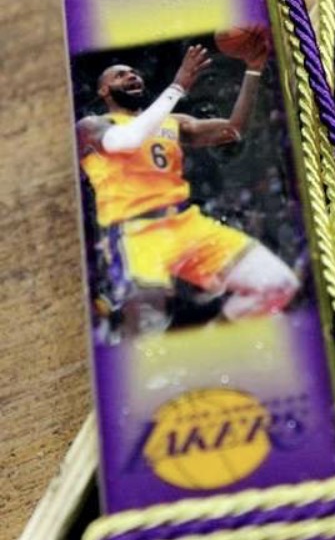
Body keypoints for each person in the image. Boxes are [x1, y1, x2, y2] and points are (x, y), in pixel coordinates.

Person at [77, 26, 299, 334]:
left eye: (134, 73)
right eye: (120, 75)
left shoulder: (173, 122)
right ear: (103, 91)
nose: (131, 76)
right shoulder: (92, 126)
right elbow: (125, 141)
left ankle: (215, 341)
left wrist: (253, 69)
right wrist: (178, 86)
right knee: (146, 330)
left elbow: (233, 130)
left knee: (278, 284)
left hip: (184, 223)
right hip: (135, 234)